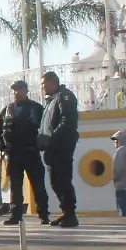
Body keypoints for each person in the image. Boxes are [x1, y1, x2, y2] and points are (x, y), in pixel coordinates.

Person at [0, 80, 50, 225]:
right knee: (15, 186)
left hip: (30, 151)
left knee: (38, 185)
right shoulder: (8, 109)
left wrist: (42, 144)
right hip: (13, 153)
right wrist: (1, 145)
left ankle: (44, 214)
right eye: (13, 90)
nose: (15, 92)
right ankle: (16, 215)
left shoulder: (36, 108)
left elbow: (46, 126)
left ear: (25, 90)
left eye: (18, 89)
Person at [38, 71, 80, 228]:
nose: (42, 88)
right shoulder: (51, 100)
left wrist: (52, 139)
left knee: (63, 180)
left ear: (52, 82)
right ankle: (66, 212)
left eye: (44, 84)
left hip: (61, 146)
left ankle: (71, 215)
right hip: (52, 148)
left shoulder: (65, 97)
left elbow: (67, 121)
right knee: (55, 181)